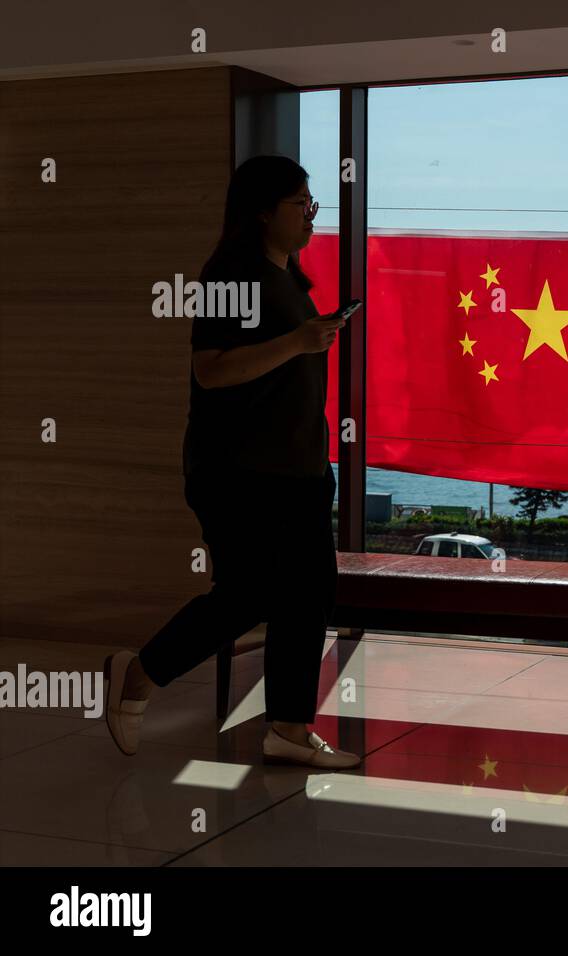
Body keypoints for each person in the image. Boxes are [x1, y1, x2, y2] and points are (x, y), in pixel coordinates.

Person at [103, 155, 358, 769]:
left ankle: (289, 728)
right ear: (263, 211)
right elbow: (211, 369)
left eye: (310, 202)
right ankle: (137, 676)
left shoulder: (289, 279)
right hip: (238, 472)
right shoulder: (230, 275)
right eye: (300, 203)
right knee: (248, 594)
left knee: (306, 595)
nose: (310, 214)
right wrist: (298, 341)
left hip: (298, 471)